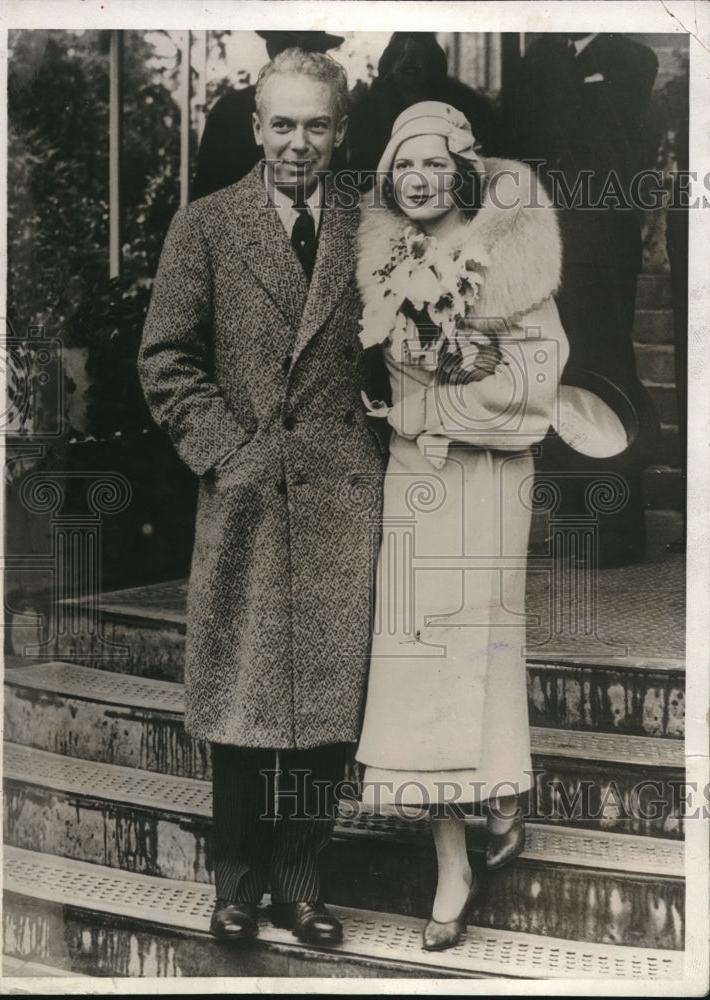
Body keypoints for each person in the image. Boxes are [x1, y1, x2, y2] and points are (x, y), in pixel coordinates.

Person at [139, 49, 387, 946]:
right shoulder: (205, 227)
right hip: (246, 497)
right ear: (255, 128)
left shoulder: (373, 227)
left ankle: (302, 885)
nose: (298, 144)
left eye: (317, 125)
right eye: (281, 124)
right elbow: (165, 360)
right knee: (243, 707)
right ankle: (237, 887)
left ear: (341, 132)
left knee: (325, 709)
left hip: (342, 503)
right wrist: (230, 455)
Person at [355, 102, 569, 950]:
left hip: (486, 472)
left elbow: (539, 376)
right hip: (415, 471)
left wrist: (438, 402)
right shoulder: (382, 261)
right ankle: (452, 861)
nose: (418, 179)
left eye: (434, 164)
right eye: (403, 164)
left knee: (480, 641)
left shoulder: (509, 253)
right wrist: (408, 408)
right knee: (414, 653)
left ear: (463, 171)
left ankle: (504, 788)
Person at [504, 33, 661, 567]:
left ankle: (616, 532)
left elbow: (608, 140)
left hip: (601, 249)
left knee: (607, 380)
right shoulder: (542, 57)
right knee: (556, 378)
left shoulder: (630, 58)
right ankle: (573, 527)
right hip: (547, 244)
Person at [191, 30, 346, 198]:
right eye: (282, 124)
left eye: (316, 124)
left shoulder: (332, 110)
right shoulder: (230, 110)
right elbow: (206, 196)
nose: (298, 60)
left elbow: (337, 187)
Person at [348, 33, 500, 188]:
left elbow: (488, 148)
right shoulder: (367, 110)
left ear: (433, 60)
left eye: (417, 54)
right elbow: (360, 172)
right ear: (389, 62)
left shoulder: (463, 101)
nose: (408, 60)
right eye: (399, 54)